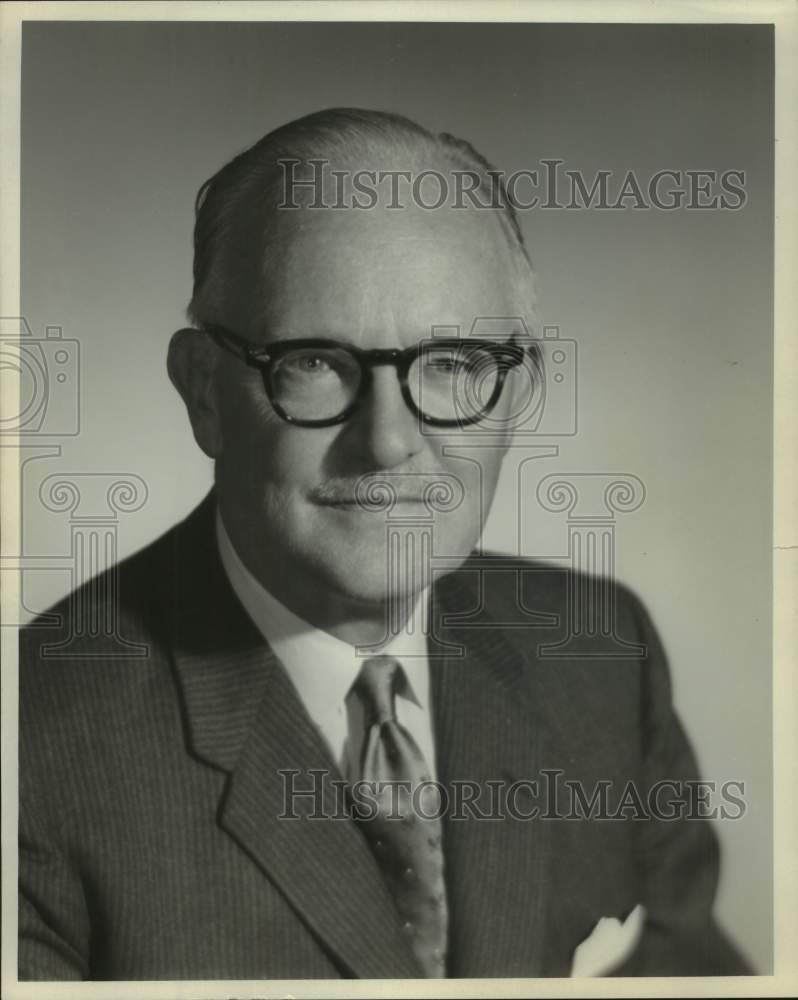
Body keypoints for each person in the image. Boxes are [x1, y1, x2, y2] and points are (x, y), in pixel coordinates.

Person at [18, 108, 750, 980]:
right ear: (205, 393)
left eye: (454, 364)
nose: (391, 442)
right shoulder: (31, 758)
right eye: (317, 361)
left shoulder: (601, 659)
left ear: (517, 394)